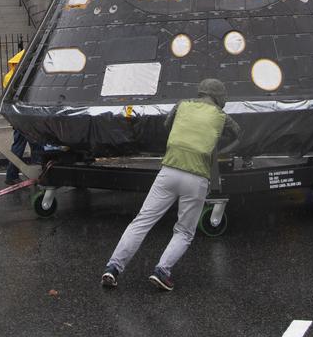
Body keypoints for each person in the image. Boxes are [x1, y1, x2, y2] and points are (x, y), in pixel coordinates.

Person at [101, 78, 241, 291]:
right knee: (184, 232)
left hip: (169, 171)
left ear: (201, 92)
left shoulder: (182, 105)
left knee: (142, 222)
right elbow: (238, 134)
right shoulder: (222, 116)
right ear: (220, 97)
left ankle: (113, 268)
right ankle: (162, 271)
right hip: (197, 178)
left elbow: (168, 125)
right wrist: (219, 146)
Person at [1, 49, 41, 185]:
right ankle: (38, 173)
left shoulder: (10, 77)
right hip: (24, 117)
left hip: (19, 117)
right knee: (35, 145)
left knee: (21, 145)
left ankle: (12, 175)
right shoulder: (18, 78)